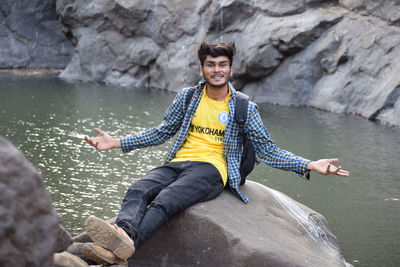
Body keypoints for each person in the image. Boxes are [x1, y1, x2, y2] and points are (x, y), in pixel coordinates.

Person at [82, 41, 349, 264]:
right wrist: (116, 142)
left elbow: (267, 150)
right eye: (211, 64)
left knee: (167, 199)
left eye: (222, 64)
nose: (216, 70)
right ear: (202, 68)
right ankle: (123, 235)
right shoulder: (187, 97)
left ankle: (121, 247)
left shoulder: (244, 108)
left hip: (212, 170)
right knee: (138, 188)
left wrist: (310, 164)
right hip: (179, 161)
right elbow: (161, 132)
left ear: (230, 68)